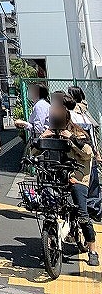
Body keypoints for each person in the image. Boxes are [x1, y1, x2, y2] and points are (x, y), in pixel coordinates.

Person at [33, 95, 98, 266]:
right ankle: (50, 244)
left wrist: (71, 138)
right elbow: (32, 153)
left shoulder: (77, 132)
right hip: (55, 177)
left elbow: (88, 153)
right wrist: (42, 137)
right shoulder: (50, 134)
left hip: (77, 178)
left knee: (82, 214)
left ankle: (92, 250)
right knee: (49, 208)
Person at [68, 86, 101, 223]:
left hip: (76, 151)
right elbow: (93, 135)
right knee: (92, 180)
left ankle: (83, 209)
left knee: (80, 179)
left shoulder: (71, 113)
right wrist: (96, 151)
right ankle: (94, 209)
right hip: (90, 150)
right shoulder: (85, 112)